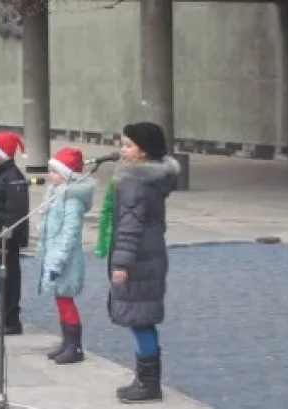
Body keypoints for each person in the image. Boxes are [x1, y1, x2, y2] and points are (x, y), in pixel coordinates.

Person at [95, 122, 180, 403]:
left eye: (128, 145)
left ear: (143, 152)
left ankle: (148, 384)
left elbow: (129, 228)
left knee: (139, 320)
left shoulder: (133, 183)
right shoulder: (154, 179)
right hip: (151, 254)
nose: (122, 150)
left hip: (138, 259)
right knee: (143, 317)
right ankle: (146, 379)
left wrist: (121, 264)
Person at [37, 147, 95, 365]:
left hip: (66, 259)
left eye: (54, 172)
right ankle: (66, 342)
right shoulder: (56, 194)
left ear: (67, 175)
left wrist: (57, 259)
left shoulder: (72, 200)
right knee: (60, 299)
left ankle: (75, 346)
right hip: (54, 254)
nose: (50, 176)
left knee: (66, 300)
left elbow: (69, 233)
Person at [0, 131, 29, 336]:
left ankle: (11, 320)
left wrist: (2, 235)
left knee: (8, 278)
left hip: (8, 238)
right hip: (0, 237)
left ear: (3, 153)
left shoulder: (12, 177)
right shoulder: (1, 174)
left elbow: (14, 212)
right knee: (3, 278)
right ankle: (7, 318)